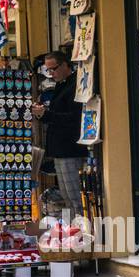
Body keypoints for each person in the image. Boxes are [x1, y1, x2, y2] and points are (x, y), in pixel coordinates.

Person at [31, 51, 87, 224]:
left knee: (74, 196)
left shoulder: (74, 85)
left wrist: (47, 114)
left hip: (70, 148)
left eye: (53, 69)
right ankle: (72, 232)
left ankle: (80, 233)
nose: (51, 73)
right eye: (48, 70)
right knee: (67, 197)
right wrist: (43, 114)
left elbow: (74, 117)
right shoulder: (61, 84)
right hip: (60, 148)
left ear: (65, 65)